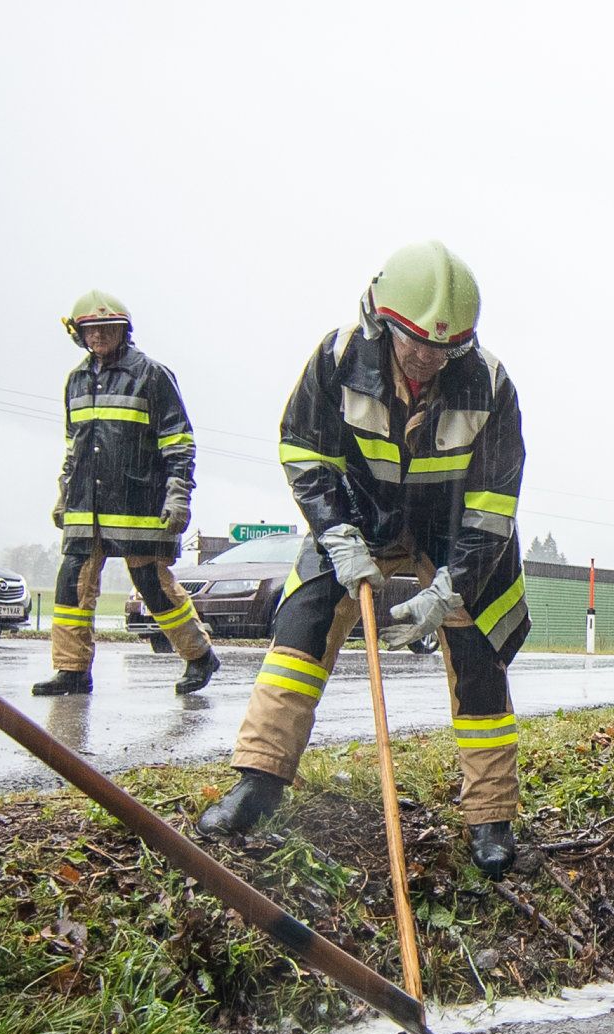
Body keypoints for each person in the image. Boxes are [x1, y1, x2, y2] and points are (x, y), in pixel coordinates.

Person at [197, 240, 528, 872]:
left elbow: (491, 506)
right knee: (301, 629)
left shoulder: (490, 385)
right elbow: (303, 452)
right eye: (414, 343)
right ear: (380, 318)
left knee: (479, 655)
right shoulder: (338, 358)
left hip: (455, 532)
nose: (428, 359)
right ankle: (260, 782)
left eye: (446, 348)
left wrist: (450, 588)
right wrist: (337, 533)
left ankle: (491, 818)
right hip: (356, 517)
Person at [30, 293, 218, 698]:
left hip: (140, 502)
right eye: (90, 330)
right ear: (78, 335)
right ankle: (71, 669)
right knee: (71, 585)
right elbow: (74, 445)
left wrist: (178, 496)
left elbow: (179, 443)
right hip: (85, 504)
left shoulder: (152, 375)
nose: (98, 335)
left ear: (124, 331)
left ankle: (199, 655)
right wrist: (64, 493)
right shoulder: (76, 381)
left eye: (107, 328)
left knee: (151, 584)